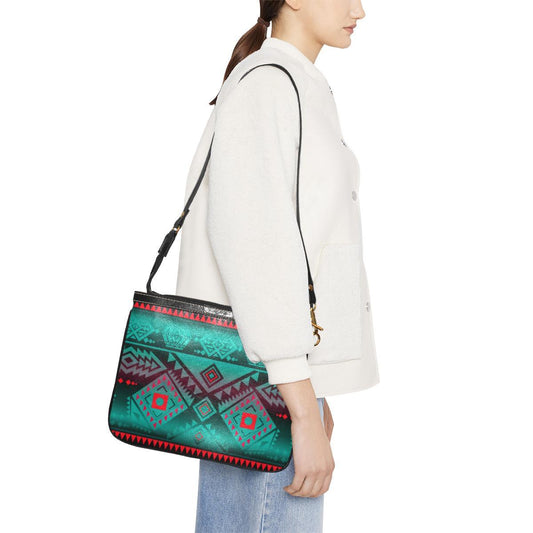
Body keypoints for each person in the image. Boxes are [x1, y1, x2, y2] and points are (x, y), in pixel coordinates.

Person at [175, 1, 380, 531]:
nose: (359, 10)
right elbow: (257, 251)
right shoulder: (268, 86)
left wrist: (313, 392)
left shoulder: (293, 83)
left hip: (276, 374)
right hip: (263, 379)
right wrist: (303, 410)